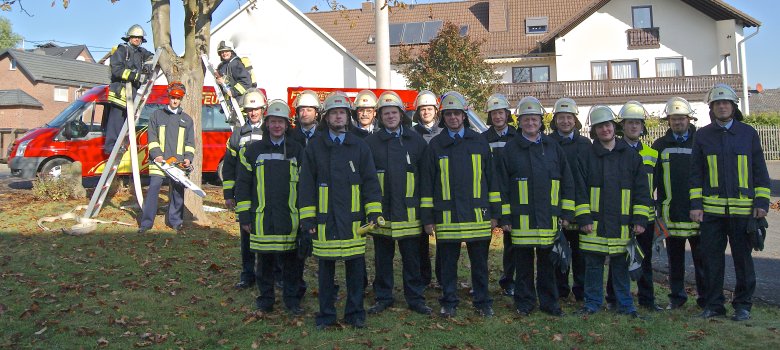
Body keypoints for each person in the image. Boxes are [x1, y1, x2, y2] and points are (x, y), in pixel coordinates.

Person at [298, 91, 382, 329]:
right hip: (325, 222)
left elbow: (370, 183)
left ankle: (355, 314)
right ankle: (326, 315)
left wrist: (373, 213)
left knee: (356, 271)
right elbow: (306, 186)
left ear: (348, 117)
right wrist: (308, 218)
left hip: (354, 221)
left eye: (341, 113)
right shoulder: (314, 147)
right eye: (333, 113)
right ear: (326, 118)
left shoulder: (360, 147)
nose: (338, 117)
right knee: (325, 273)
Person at [689, 83, 770, 321]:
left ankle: (743, 305)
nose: (722, 106)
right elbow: (696, 173)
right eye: (717, 103)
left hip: (743, 211)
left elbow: (760, 171)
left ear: (733, 107)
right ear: (711, 108)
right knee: (711, 261)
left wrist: (762, 202)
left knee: (743, 261)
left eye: (726, 103)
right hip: (711, 214)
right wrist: (696, 205)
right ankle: (714, 305)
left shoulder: (748, 134)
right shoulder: (703, 135)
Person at [496, 96, 583, 317]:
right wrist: (504, 217)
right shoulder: (510, 149)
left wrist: (566, 213)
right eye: (526, 119)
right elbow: (501, 185)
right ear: (520, 122)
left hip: (548, 219)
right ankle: (524, 303)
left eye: (534, 119)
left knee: (548, 266)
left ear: (540, 121)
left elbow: (567, 181)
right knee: (523, 267)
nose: (530, 123)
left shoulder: (553, 147)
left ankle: (549, 303)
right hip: (520, 222)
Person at [420, 91, 502, 318]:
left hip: (478, 216)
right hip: (447, 217)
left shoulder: (480, 142)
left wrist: (495, 214)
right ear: (442, 117)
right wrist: (428, 218)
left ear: (464, 115)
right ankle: (449, 301)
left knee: (480, 265)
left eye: (457, 114)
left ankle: (483, 302)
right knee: (447, 265)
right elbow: (427, 184)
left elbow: (491, 180)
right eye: (448, 114)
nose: (453, 118)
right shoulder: (436, 145)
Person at [575, 105, 651, 318]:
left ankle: (625, 305)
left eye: (607, 125)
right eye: (599, 127)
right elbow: (579, 190)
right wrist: (583, 217)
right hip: (594, 224)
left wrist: (640, 219)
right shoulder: (585, 156)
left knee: (620, 268)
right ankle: (592, 303)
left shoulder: (631, 156)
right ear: (594, 131)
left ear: (614, 127)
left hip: (622, 223)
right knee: (593, 267)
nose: (604, 130)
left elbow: (641, 191)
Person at [234, 99, 305, 315]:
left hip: (291, 218)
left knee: (293, 265)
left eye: (280, 122)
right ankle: (265, 300)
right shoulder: (252, 151)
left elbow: (305, 185)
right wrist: (244, 216)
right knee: (264, 264)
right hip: (261, 218)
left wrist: (306, 217)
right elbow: (243, 185)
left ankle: (292, 301)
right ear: (267, 124)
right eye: (273, 122)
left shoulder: (297, 150)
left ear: (287, 125)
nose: (276, 126)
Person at [364, 91, 432, 315]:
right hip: (382, 213)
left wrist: (426, 213)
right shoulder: (371, 143)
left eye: (394, 112)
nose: (390, 116)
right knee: (382, 260)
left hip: (410, 214)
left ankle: (415, 298)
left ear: (401, 114)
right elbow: (367, 179)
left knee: (412, 260)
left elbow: (425, 179)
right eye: (386, 113)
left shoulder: (416, 141)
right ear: (380, 116)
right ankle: (383, 297)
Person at [605, 101, 663, 312]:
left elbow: (655, 185)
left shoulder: (652, 154)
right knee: (618, 258)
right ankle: (613, 298)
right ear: (623, 126)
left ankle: (647, 300)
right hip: (620, 214)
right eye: (629, 123)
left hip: (644, 215)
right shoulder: (613, 150)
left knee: (644, 259)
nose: (633, 127)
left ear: (642, 126)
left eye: (637, 123)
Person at [651, 97, 705, 310]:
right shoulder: (660, 146)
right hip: (670, 214)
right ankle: (677, 298)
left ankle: (704, 299)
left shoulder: (700, 143)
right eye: (674, 119)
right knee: (675, 262)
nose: (678, 122)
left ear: (689, 119)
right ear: (668, 121)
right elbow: (652, 179)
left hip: (697, 213)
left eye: (681, 118)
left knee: (702, 261)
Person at [223, 90, 267, 290]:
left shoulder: (270, 130)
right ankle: (247, 275)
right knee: (246, 235)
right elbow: (230, 166)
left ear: (262, 109)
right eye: (250, 110)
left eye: (256, 109)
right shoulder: (238, 134)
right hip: (245, 192)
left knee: (268, 236)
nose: (253, 113)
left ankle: (271, 275)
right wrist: (228, 194)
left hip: (266, 191)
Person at [137, 82, 194, 233]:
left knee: (177, 192)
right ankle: (146, 223)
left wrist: (188, 158)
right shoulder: (156, 115)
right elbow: (152, 137)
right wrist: (157, 155)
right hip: (159, 163)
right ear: (168, 97)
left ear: (181, 99)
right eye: (173, 97)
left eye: (178, 98)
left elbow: (190, 142)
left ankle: (175, 222)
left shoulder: (187, 120)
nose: (175, 100)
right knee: (153, 190)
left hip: (178, 164)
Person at [549, 98, 590, 302]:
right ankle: (560, 291)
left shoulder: (585, 144)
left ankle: (581, 291)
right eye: (561, 117)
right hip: (557, 207)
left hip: (581, 206)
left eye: (569, 117)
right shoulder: (547, 142)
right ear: (555, 121)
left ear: (575, 121)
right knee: (558, 251)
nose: (565, 121)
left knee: (581, 254)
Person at [482, 93, 518, 297]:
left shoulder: (518, 136)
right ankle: (481, 283)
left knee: (512, 244)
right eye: (494, 113)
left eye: (501, 112)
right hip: (488, 196)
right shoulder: (482, 139)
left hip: (513, 195)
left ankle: (509, 281)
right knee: (481, 245)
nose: (497, 116)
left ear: (507, 114)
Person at [104, 24, 154, 155]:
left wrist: (149, 65)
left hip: (132, 93)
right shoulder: (122, 50)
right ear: (129, 38)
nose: (137, 39)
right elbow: (116, 70)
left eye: (139, 38)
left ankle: (121, 145)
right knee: (116, 121)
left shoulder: (141, 52)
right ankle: (111, 148)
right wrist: (135, 75)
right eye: (135, 37)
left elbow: (152, 57)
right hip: (120, 92)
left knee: (127, 123)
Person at [411, 90, 441, 288]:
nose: (426, 112)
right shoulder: (412, 134)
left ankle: (442, 278)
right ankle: (424, 277)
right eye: (423, 109)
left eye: (430, 109)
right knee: (421, 239)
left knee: (446, 241)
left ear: (436, 111)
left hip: (443, 189)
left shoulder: (444, 132)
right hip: (420, 189)